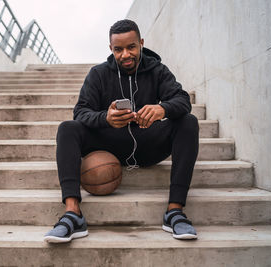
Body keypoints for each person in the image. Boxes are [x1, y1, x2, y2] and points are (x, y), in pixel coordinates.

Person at [44, 19, 199, 243]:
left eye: (131, 47)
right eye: (118, 49)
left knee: (188, 122)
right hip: (109, 146)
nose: (125, 54)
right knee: (67, 128)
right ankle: (72, 214)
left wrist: (161, 109)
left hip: (148, 144)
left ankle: (174, 211)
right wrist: (105, 118)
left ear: (141, 44)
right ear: (111, 49)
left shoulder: (157, 70)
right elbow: (80, 112)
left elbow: (183, 100)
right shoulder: (98, 74)